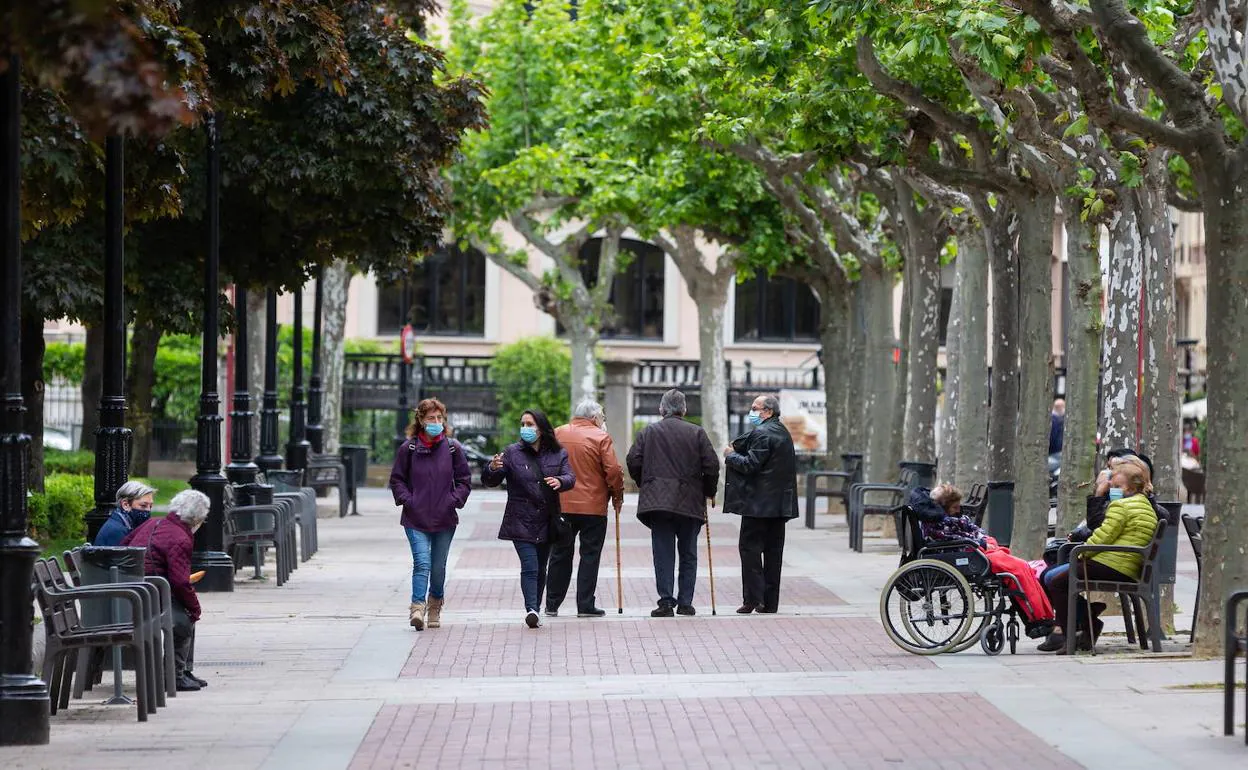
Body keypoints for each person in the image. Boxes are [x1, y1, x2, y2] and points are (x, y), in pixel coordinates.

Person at [1040, 456, 1159, 653]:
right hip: (1124, 565)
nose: (1113, 489)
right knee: (1053, 577)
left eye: (1118, 486)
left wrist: (1081, 554)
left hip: (1113, 565)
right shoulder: (1145, 505)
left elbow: (1103, 535)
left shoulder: (1121, 506)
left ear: (1130, 488)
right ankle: (1088, 623)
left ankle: (1071, 635)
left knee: (1055, 581)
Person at [910, 484, 1055, 638]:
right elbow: (954, 538)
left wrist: (983, 540)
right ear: (944, 507)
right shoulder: (939, 522)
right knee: (1018, 569)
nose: (958, 510)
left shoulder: (946, 519)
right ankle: (1038, 618)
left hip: (974, 550)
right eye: (955, 507)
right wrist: (982, 542)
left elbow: (966, 532)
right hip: (968, 554)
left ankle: (1040, 617)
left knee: (1022, 567)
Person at [626, 389, 719, 617]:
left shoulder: (649, 432)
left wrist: (646, 483)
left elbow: (633, 460)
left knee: (663, 553)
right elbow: (712, 465)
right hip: (690, 501)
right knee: (688, 553)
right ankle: (686, 602)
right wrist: (708, 491)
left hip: (658, 503)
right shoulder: (697, 433)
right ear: (684, 409)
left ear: (661, 409)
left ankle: (666, 602)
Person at [483, 409, 575, 629]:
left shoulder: (558, 453)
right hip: (520, 519)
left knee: (541, 567)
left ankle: (536, 606)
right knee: (530, 566)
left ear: (541, 429)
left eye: (530, 424)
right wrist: (491, 468)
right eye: (522, 424)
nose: (525, 428)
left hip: (547, 519)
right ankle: (531, 609)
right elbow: (491, 480)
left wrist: (561, 481)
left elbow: (570, 477)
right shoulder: (512, 453)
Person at [388, 397, 473, 631]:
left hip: (445, 518)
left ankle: (435, 604)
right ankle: (417, 607)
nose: (436, 422)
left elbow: (465, 480)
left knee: (438, 567)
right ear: (421, 421)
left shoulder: (453, 448)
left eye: (439, 418)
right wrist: (409, 500)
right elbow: (397, 480)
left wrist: (453, 500)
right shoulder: (409, 448)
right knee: (422, 563)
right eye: (430, 418)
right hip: (415, 517)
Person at [122, 489, 211, 692]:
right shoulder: (180, 537)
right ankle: (175, 675)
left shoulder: (153, 522)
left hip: (134, 588)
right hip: (152, 593)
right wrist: (195, 607)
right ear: (197, 517)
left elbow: (124, 545)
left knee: (186, 611)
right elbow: (180, 582)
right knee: (185, 617)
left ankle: (184, 671)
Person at [546, 399, 624, 618]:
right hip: (593, 507)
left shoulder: (558, 433)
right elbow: (613, 471)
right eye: (601, 418)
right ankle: (585, 605)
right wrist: (617, 495)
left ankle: (552, 604)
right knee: (589, 555)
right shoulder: (601, 437)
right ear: (594, 418)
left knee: (560, 554)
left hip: (561, 504)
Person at [723, 394, 798, 614]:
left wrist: (730, 455)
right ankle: (769, 602)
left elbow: (750, 465)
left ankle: (753, 599)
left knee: (750, 551)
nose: (752, 412)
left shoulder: (763, 433)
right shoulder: (782, 432)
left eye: (755, 408)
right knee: (774, 554)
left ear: (768, 411)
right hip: (778, 507)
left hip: (758, 506)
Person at [94, 481, 158, 547]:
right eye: (143, 505)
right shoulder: (117, 531)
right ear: (125, 504)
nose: (148, 510)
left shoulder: (123, 524)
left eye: (150, 506)